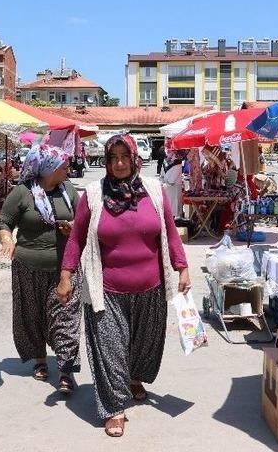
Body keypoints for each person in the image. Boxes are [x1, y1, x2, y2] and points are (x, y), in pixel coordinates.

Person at [58, 134, 189, 438]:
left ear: (134, 159)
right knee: (110, 350)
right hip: (107, 290)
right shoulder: (92, 195)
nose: (118, 163)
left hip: (151, 289)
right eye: (113, 157)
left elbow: (170, 232)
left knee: (144, 346)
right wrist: (66, 276)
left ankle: (133, 378)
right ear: (105, 161)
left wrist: (182, 267)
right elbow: (76, 238)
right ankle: (114, 407)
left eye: (124, 157)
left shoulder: (154, 191)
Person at [0, 144, 81, 394]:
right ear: (48, 168)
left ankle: (65, 369)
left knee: (66, 319)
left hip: (64, 269)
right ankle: (40, 359)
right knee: (32, 317)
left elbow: (84, 219)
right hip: (28, 266)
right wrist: (7, 241)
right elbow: (5, 221)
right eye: (63, 166)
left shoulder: (69, 191)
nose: (68, 170)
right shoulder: (22, 193)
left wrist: (74, 226)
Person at [161, 149, 184, 218]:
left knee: (174, 210)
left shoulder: (178, 164)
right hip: (166, 189)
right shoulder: (165, 162)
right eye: (167, 150)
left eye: (170, 151)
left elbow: (171, 181)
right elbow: (161, 176)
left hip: (174, 190)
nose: (168, 152)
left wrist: (162, 185)